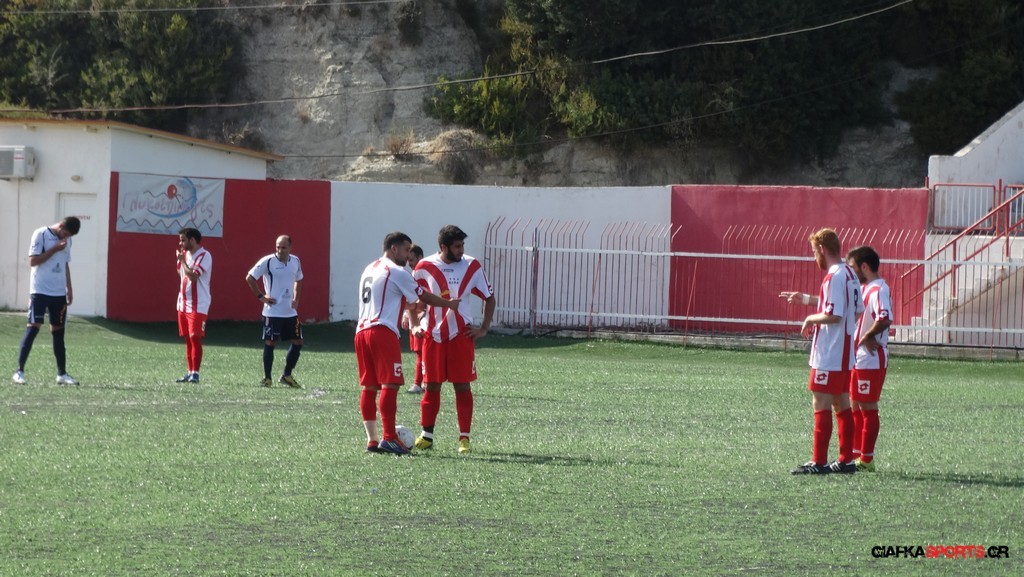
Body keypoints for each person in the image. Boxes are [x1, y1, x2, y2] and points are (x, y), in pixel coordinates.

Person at [356, 232, 460, 455]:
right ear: (393, 249)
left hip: (362, 331)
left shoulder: (370, 268)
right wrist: (448, 303)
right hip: (382, 331)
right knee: (390, 384)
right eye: (405, 251)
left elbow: (395, 299)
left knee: (370, 386)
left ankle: (372, 441)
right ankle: (389, 438)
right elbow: (423, 296)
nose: (408, 256)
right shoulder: (396, 270)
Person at [780, 228, 861, 474]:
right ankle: (846, 460)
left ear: (823, 249)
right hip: (844, 351)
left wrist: (810, 319)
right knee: (841, 401)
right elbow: (854, 309)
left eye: (815, 251)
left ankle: (819, 462)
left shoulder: (833, 276)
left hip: (829, 352)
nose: (815, 256)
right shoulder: (850, 273)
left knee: (820, 400)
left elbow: (833, 314)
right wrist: (806, 299)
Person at [412, 225, 495, 454]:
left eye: (462, 245)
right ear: (443, 247)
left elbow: (489, 297)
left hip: (460, 335)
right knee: (431, 386)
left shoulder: (472, 265)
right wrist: (415, 322)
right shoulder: (423, 267)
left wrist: (484, 328)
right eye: (457, 246)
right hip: (433, 335)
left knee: (462, 386)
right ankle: (427, 435)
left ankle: (464, 438)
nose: (461, 250)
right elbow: (413, 298)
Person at [12, 216, 82, 385]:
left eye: (70, 236)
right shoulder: (41, 234)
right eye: (66, 234)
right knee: (33, 328)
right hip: (40, 291)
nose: (67, 238)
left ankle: (62, 374)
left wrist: (69, 287)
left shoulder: (68, 240)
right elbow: (33, 261)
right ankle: (19, 371)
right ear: (61, 226)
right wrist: (55, 249)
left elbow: (65, 263)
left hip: (58, 294)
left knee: (58, 332)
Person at [846, 246, 892, 473]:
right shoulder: (865, 288)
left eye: (853, 267)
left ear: (864, 267)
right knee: (855, 404)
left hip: (871, 358)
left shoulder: (880, 289)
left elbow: (885, 317)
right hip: (858, 357)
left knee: (867, 406)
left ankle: (867, 459)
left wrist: (868, 335)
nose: (851, 272)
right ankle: (856, 455)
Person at [245, 235, 304, 389]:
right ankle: (267, 378)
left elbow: (299, 279)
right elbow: (250, 278)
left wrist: (296, 298)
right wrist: (261, 297)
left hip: (290, 312)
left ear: (290, 248)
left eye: (283, 247)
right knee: (271, 342)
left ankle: (286, 375)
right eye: (278, 247)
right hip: (272, 312)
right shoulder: (268, 261)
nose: (280, 250)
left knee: (298, 342)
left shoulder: (295, 261)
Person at [175, 228, 213, 384]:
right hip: (183, 303)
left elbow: (193, 276)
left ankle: (195, 373)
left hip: (199, 304)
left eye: (183, 240)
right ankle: (189, 372)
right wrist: (181, 261)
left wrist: (182, 261)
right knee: (187, 338)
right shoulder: (184, 254)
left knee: (195, 336)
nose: (180, 243)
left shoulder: (205, 255)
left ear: (192, 240)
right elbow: (181, 273)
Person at [403, 244, 426, 394]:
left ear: (420, 258)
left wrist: (424, 312)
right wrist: (406, 315)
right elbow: (410, 299)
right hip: (415, 319)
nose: (409, 263)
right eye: (408, 260)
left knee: (421, 353)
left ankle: (419, 383)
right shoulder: (412, 276)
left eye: (411, 259)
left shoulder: (425, 275)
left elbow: (428, 297)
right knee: (420, 353)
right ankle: (424, 382)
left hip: (423, 321)